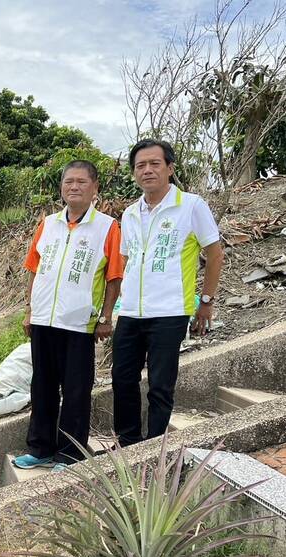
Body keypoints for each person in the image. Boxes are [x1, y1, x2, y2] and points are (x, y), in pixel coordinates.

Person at [13, 160, 123, 471]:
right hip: (44, 319)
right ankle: (40, 448)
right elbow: (34, 270)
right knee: (42, 386)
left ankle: (71, 453)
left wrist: (106, 317)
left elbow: (114, 276)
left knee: (76, 389)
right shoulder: (47, 224)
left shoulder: (107, 227)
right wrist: (29, 310)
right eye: (68, 182)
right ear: (61, 188)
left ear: (95, 188)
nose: (74, 187)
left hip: (79, 322)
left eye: (81, 182)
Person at [113, 139, 223, 447]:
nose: (147, 170)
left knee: (160, 385)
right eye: (140, 166)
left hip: (170, 311)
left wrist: (206, 303)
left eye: (154, 164)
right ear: (134, 173)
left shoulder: (190, 205)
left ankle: (155, 446)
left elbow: (215, 255)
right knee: (122, 379)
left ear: (170, 169)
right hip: (131, 311)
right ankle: (128, 442)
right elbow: (126, 259)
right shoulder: (131, 212)